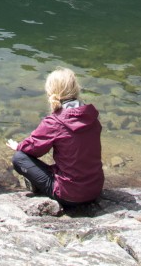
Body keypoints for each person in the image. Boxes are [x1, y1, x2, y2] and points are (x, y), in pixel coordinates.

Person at [7, 67, 103, 206]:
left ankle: (39, 187)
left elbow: (34, 149)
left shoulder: (55, 121)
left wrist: (19, 146)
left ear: (51, 91)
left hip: (69, 195)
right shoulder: (91, 116)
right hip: (95, 190)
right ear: (76, 88)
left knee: (19, 158)